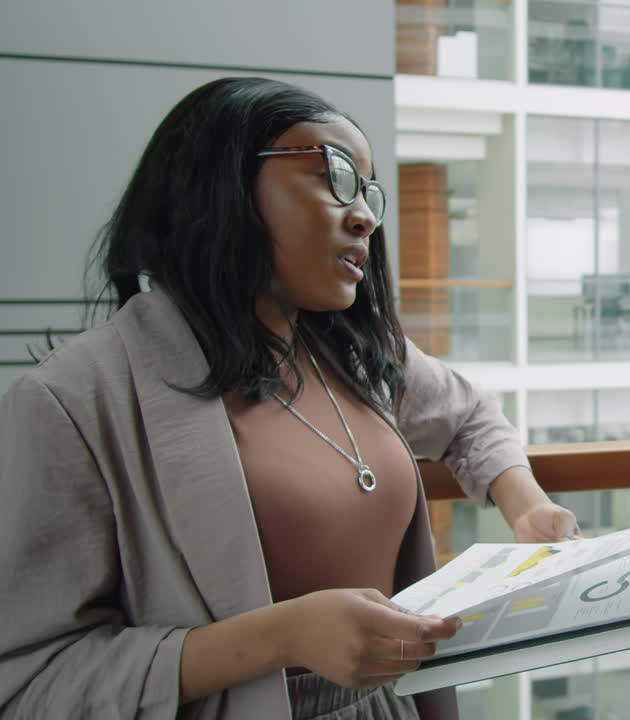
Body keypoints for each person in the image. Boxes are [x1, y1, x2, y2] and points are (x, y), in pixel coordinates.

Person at [0, 77, 581, 720]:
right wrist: (282, 638)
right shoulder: (72, 401)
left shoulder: (351, 351)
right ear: (219, 183)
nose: (364, 216)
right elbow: (32, 680)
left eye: (368, 192)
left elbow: (469, 415)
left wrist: (526, 504)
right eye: (334, 176)